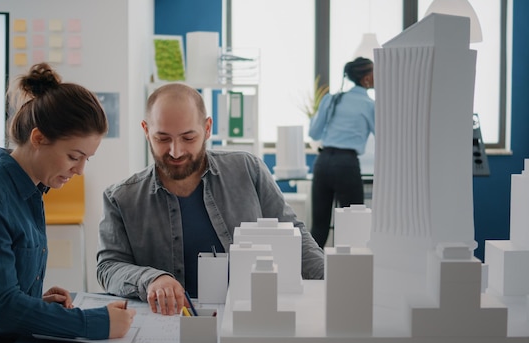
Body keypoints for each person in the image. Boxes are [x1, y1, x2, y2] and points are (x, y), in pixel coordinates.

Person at [0, 63, 135, 343]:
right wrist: (96, 322)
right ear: (38, 138)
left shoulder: (30, 193)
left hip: (4, 334)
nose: (80, 170)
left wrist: (35, 304)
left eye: (87, 159)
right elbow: (3, 308)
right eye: (74, 156)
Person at [97, 83, 325, 316]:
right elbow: (109, 268)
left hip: (250, 317)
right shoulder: (121, 198)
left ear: (207, 128)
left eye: (188, 138)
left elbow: (293, 234)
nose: (176, 151)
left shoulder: (248, 169)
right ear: (146, 130)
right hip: (172, 325)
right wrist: (151, 279)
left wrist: (331, 281)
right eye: (163, 139)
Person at [308, 57, 375, 248]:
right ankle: (350, 274)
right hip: (346, 165)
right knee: (353, 226)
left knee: (319, 227)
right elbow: (384, 135)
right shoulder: (369, 105)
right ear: (366, 78)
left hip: (322, 162)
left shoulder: (331, 99)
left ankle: (310, 274)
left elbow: (314, 133)